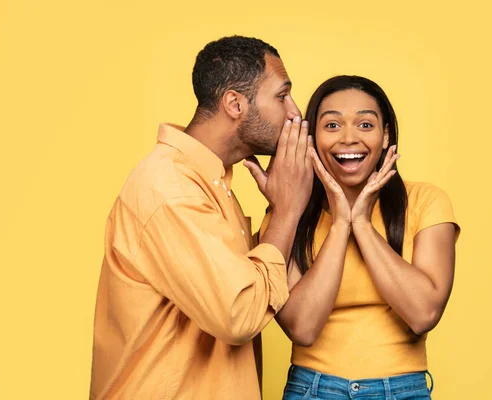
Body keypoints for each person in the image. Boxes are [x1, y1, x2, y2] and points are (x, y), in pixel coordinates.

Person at [90, 35, 313, 399]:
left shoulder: (210, 182)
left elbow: (245, 284)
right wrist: (288, 210)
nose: (294, 112)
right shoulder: (171, 189)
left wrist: (279, 206)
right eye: (281, 95)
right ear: (234, 103)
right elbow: (239, 313)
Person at [259, 75, 460, 400]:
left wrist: (362, 224)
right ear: (312, 139)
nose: (349, 138)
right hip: (313, 390)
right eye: (332, 125)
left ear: (386, 137)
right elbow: (302, 328)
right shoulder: (286, 216)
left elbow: (424, 314)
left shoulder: (426, 202)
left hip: (402, 391)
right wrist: (340, 224)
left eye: (365, 125)